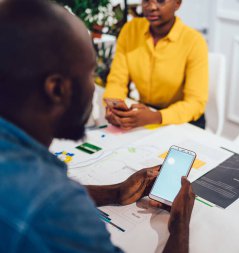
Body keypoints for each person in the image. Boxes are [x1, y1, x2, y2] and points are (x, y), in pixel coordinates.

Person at [0, 0, 194, 252]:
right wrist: (180, 223)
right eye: (90, 74)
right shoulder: (55, 207)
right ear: (57, 89)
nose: (94, 87)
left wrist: (114, 193)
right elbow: (44, 202)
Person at [103, 0, 209, 130]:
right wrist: (114, 108)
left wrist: (156, 117)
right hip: (145, 113)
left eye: (160, 1)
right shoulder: (130, 30)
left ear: (177, 3)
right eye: (146, 0)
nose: (151, 7)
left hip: (184, 121)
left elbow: (195, 103)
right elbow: (117, 81)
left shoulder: (194, 42)